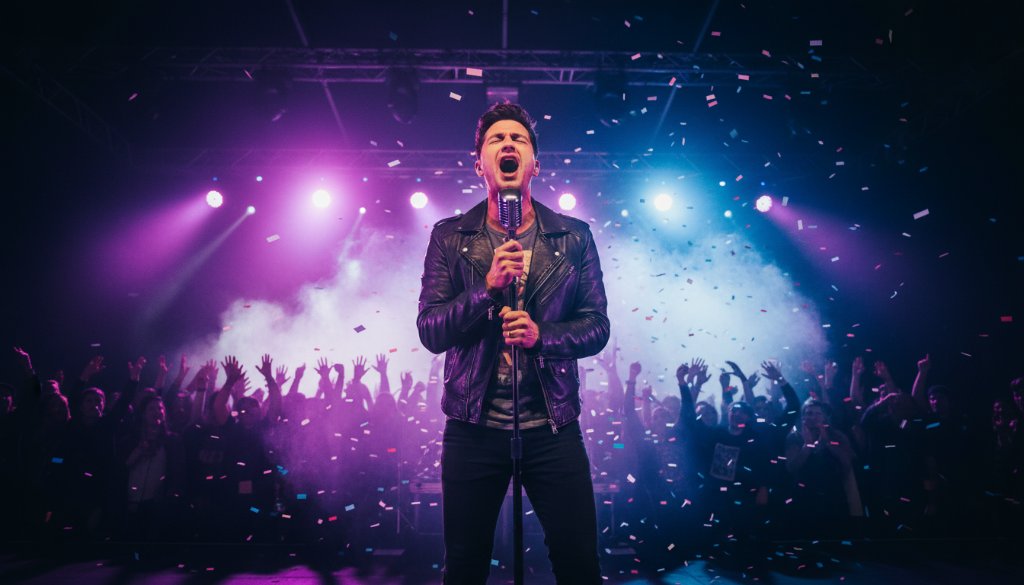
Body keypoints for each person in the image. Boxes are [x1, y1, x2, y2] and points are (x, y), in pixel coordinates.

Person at [417, 102, 610, 584]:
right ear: (479, 162)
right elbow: (431, 330)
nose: (508, 144)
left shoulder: (574, 237)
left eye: (519, 139)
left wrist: (542, 336)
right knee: (464, 565)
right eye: (496, 139)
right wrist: (487, 287)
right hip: (473, 427)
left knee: (578, 561)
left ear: (534, 164)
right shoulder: (449, 237)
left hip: (552, 426)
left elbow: (597, 326)